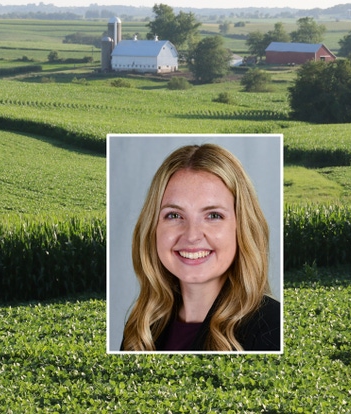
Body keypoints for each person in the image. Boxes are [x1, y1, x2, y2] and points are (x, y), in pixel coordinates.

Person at [120, 143, 281, 351]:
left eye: (213, 216)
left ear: (241, 227)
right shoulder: (141, 330)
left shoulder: (274, 327)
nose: (192, 235)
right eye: (174, 215)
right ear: (153, 227)